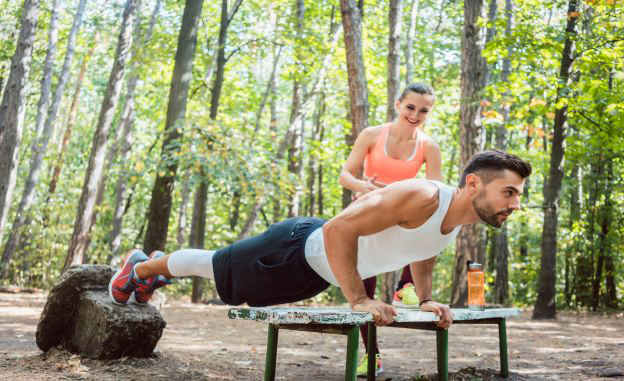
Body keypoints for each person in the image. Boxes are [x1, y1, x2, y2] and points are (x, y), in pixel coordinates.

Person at [109, 151, 531, 344]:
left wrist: (427, 297)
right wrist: (359, 299)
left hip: (313, 274)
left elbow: (422, 251)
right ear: (473, 183)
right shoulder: (423, 195)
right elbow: (338, 231)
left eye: (517, 196)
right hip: (299, 248)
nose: (515, 204)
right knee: (215, 264)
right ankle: (140, 268)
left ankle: (155, 270)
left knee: (235, 289)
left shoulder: (456, 221)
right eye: (509, 193)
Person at [339, 82, 441, 375]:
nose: (415, 114)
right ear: (398, 105)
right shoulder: (372, 134)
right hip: (367, 212)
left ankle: (404, 285)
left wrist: (404, 193)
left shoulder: (429, 146)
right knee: (363, 291)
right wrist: (364, 185)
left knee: (433, 221)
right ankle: (372, 354)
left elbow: (435, 191)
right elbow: (345, 175)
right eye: (410, 107)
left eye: (423, 110)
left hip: (400, 214)